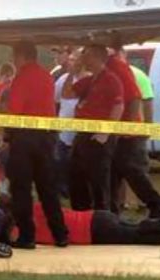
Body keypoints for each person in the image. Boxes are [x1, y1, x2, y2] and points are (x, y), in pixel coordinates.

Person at [5, 41, 68, 249]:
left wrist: (5, 130)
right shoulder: (46, 76)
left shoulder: (21, 77)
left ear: (21, 56)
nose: (13, 61)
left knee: (21, 188)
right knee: (47, 187)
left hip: (24, 137)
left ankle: (26, 235)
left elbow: (15, 109)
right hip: (46, 136)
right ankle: (60, 233)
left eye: (15, 57)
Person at [108, 44, 160, 218]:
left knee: (132, 171)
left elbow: (143, 99)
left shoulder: (131, 73)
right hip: (119, 131)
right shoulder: (114, 69)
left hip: (129, 132)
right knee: (115, 171)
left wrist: (138, 126)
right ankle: (112, 209)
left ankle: (156, 202)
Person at [62, 45, 124, 211]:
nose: (84, 61)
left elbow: (118, 106)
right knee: (75, 175)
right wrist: (71, 73)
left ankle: (103, 213)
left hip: (98, 136)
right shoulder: (89, 81)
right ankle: (81, 211)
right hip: (82, 133)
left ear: (97, 58)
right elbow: (66, 93)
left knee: (98, 179)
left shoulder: (111, 80)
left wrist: (104, 132)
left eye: (87, 57)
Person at [0, 200, 160, 246]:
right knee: (134, 230)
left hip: (93, 231)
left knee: (140, 237)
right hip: (97, 217)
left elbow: (14, 239)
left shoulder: (20, 227)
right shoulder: (36, 206)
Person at [54, 49, 89, 198]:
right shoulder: (63, 80)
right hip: (64, 129)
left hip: (82, 131)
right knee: (60, 162)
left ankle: (78, 189)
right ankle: (62, 189)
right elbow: (56, 100)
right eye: (72, 60)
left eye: (77, 60)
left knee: (78, 164)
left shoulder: (90, 80)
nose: (75, 63)